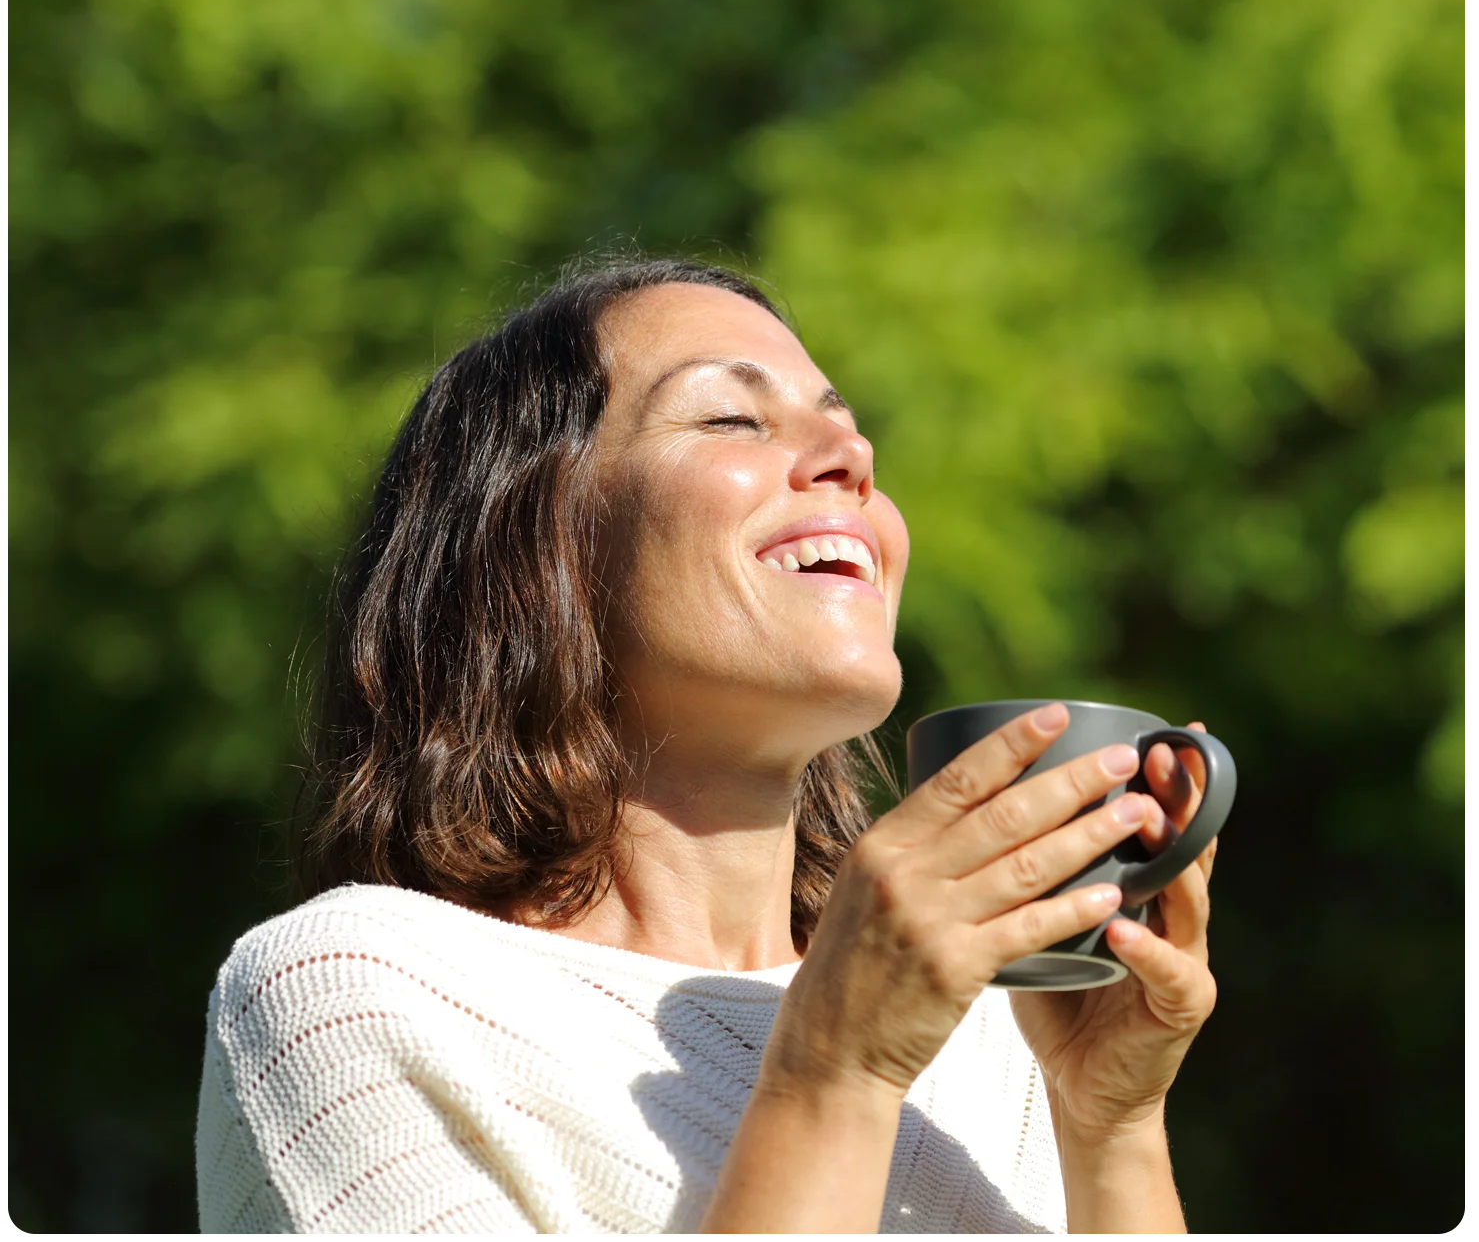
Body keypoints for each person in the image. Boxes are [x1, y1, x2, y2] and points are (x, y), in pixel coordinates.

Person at [195, 258, 1219, 1236]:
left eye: (845, 428)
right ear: (536, 537)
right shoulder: (352, 993)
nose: (850, 460)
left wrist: (1111, 1129)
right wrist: (836, 1074)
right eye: (732, 416)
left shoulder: (991, 1034)